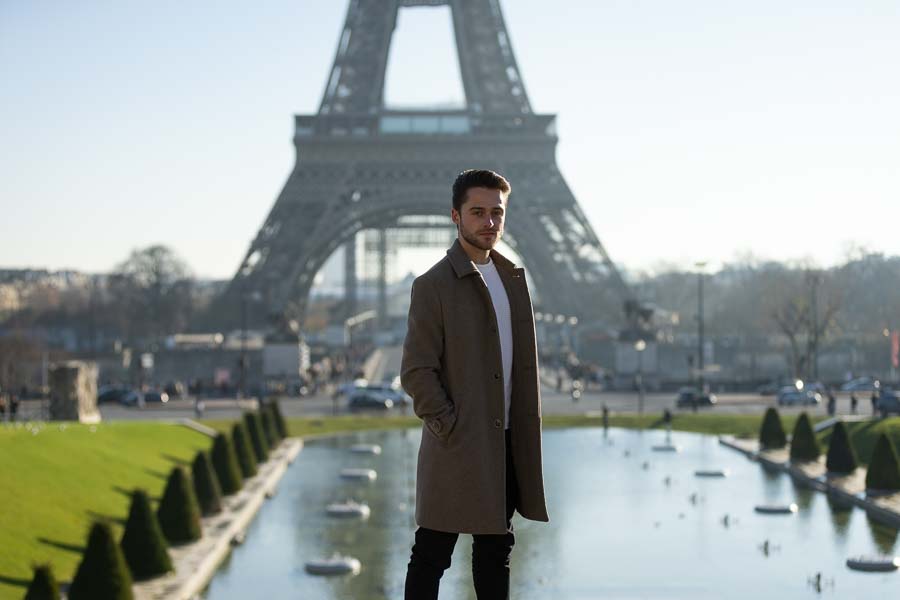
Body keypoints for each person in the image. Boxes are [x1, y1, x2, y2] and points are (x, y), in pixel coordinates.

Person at [401, 169, 549, 600]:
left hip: (504, 442)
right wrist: (451, 425)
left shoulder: (512, 281)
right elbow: (416, 370)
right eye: (478, 212)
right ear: (456, 216)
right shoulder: (432, 286)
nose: (489, 222)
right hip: (457, 442)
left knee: (496, 552)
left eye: (496, 213)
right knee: (432, 553)